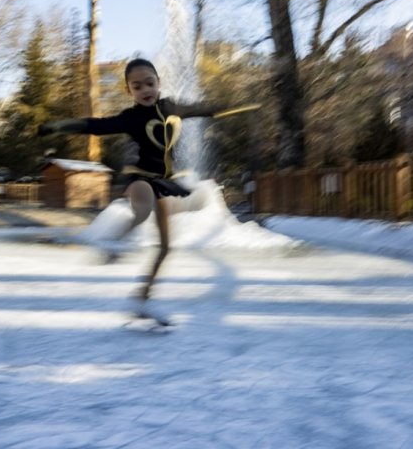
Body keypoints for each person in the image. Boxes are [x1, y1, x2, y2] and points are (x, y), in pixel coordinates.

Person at [39, 58, 255, 320]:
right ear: (129, 91)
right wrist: (58, 126)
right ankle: (112, 244)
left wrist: (241, 105)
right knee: (141, 212)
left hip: (163, 182)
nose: (145, 90)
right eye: (137, 86)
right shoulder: (130, 118)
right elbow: (96, 126)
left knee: (165, 247)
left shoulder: (172, 107)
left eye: (149, 83)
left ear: (158, 83)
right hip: (139, 178)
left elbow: (205, 109)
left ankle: (142, 298)